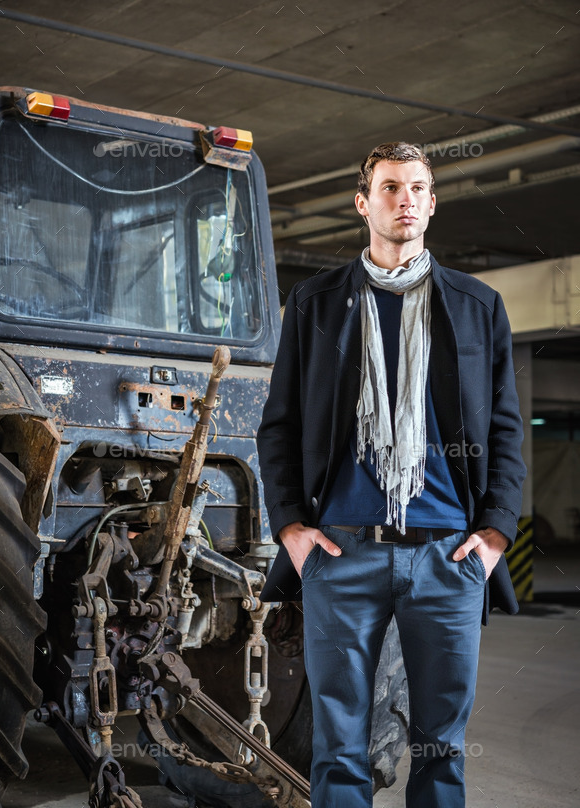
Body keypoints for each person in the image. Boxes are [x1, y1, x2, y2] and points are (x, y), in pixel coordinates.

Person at [256, 142, 526, 808]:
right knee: (339, 749)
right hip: (340, 553)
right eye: (389, 187)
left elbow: (504, 429)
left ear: (432, 204)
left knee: (441, 749)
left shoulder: (475, 305)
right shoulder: (315, 304)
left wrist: (493, 536)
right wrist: (291, 528)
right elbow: (279, 427)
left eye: (417, 188)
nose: (404, 199)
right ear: (363, 202)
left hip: (446, 557)